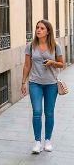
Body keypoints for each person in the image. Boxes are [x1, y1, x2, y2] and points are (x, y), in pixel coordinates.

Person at [22, 19, 65, 154]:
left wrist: (52, 62)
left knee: (49, 113)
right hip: (35, 83)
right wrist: (23, 82)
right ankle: (37, 142)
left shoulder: (55, 45)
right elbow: (27, 65)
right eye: (37, 28)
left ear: (48, 31)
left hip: (51, 84)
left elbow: (61, 63)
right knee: (37, 112)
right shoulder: (30, 46)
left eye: (41, 28)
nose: (38, 30)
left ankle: (47, 140)